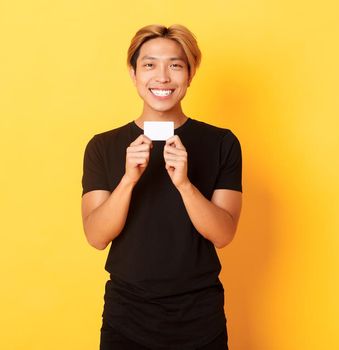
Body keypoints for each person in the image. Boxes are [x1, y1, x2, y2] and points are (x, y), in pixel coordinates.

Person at [80, 24, 242, 350]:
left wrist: (184, 184)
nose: (163, 77)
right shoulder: (102, 146)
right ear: (133, 73)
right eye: (150, 64)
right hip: (127, 315)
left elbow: (223, 234)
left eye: (176, 65)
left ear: (190, 74)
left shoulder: (222, 142)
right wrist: (128, 179)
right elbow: (96, 236)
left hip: (200, 315)